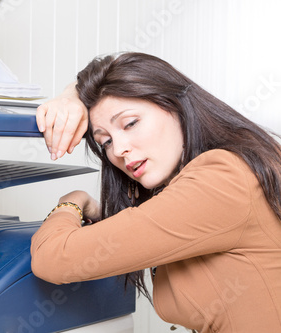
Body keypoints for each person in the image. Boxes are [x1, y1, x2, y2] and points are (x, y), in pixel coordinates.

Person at [30, 52, 281, 333]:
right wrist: (71, 94)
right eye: (106, 141)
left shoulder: (223, 177)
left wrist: (71, 203)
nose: (119, 149)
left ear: (175, 105)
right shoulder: (215, 177)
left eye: (130, 123)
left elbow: (52, 258)